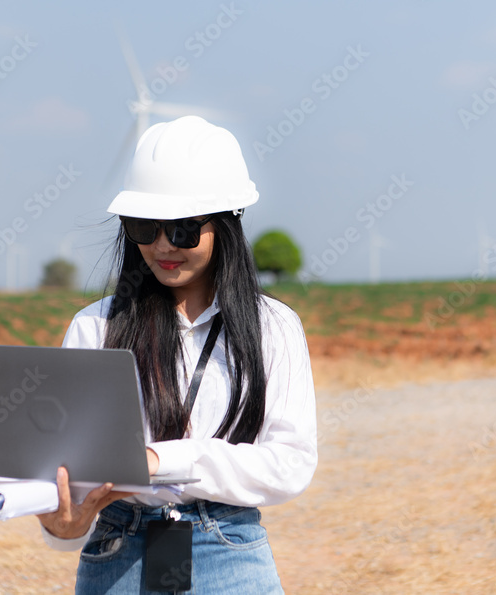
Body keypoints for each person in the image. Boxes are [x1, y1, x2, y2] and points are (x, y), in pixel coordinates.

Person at [37, 115, 318, 593]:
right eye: (145, 227)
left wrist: (160, 460)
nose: (164, 245)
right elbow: (68, 472)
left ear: (228, 223)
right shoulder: (94, 326)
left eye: (184, 229)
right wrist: (60, 527)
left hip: (228, 553)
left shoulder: (274, 327)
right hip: (115, 552)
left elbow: (289, 464)